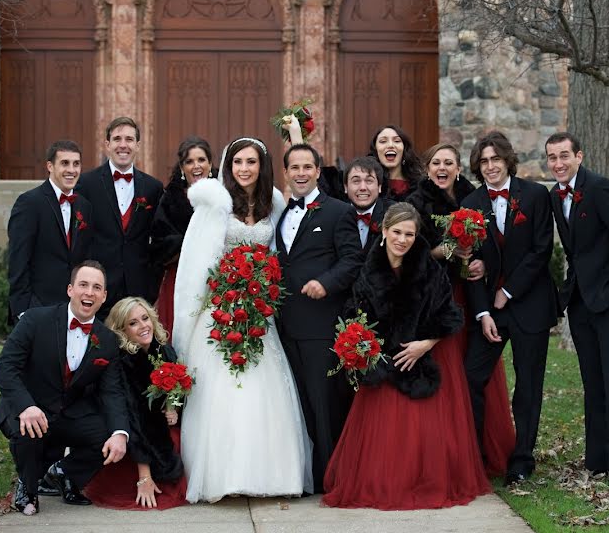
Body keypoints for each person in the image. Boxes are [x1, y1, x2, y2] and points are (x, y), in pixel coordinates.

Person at [323, 203, 492, 510]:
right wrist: (364, 348)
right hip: (385, 362)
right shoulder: (367, 271)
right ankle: (386, 483)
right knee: (386, 433)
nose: (403, 239)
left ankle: (423, 482)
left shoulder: (429, 269)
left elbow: (450, 315)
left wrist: (425, 344)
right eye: (397, 232)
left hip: (420, 359)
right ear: (384, 232)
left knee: (421, 431)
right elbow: (353, 315)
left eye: (410, 234)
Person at [172, 137, 312, 503]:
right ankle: (223, 475)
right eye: (238, 162)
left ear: (261, 167)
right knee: (224, 392)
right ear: (228, 166)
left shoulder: (274, 205)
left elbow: (280, 251)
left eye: (251, 162)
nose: (244, 169)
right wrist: (208, 306)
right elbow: (197, 265)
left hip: (259, 312)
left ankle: (270, 474)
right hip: (220, 311)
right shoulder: (214, 205)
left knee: (263, 391)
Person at [545, 132, 609, 486]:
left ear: (579, 156)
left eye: (564, 156)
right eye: (551, 157)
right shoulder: (554, 195)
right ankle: (598, 460)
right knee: (593, 382)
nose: (558, 163)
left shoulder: (601, 189)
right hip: (580, 302)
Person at [407, 142, 515, 476]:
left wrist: (478, 260)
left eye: (449, 163)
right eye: (436, 162)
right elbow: (409, 253)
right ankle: (446, 454)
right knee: (447, 373)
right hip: (434, 296)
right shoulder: (415, 203)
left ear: (458, 169)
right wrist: (445, 251)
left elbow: (490, 248)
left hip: (470, 296)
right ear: (427, 169)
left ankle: (478, 450)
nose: (442, 168)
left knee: (473, 375)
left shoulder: (473, 199)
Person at [461, 131, 560, 486]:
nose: (490, 167)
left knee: (529, 383)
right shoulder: (470, 204)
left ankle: (522, 459)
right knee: (471, 377)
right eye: (483, 162)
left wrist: (508, 291)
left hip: (529, 303)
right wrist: (483, 312)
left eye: (495, 160)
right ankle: (476, 455)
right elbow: (469, 263)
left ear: (507, 160)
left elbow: (540, 250)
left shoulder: (534, 195)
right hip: (490, 311)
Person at [0, 261, 129, 516]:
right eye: (83, 285)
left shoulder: (107, 340)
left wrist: (120, 432)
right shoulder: (35, 320)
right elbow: (5, 368)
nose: (89, 292)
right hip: (29, 407)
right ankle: (28, 485)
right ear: (70, 290)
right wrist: (26, 405)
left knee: (109, 433)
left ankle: (65, 474)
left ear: (104, 297)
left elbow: (112, 392)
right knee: (29, 428)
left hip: (68, 412)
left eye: (97, 287)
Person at [275, 143, 364, 492]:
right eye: (294, 167)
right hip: (284, 324)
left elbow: (352, 260)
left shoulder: (339, 211)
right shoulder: (281, 212)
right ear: (286, 173)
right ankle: (311, 476)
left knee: (325, 405)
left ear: (317, 170)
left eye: (307, 167)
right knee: (300, 406)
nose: (300, 173)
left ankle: (333, 480)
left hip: (319, 325)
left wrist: (326, 284)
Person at [84, 297, 187, 510]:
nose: (143, 326)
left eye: (144, 318)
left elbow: (176, 388)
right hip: (130, 435)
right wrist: (144, 476)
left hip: (157, 427)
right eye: (133, 323)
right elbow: (133, 417)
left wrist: (172, 406)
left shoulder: (163, 350)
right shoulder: (123, 362)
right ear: (122, 330)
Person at [76, 117, 164, 320]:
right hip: (99, 287)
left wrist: (153, 284)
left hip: (140, 288)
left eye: (129, 139)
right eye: (117, 139)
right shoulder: (86, 184)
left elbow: (158, 240)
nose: (123, 145)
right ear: (107, 144)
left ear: (138, 145)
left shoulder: (153, 188)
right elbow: (80, 237)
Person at [7, 140, 93, 323]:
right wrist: (23, 311)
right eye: (64, 163)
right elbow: (18, 260)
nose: (71, 170)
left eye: (76, 164)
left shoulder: (84, 207)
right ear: (50, 166)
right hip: (37, 308)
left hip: (74, 308)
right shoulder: (29, 203)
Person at [149, 137, 215, 339]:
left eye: (201, 160)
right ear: (182, 167)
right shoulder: (170, 199)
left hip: (217, 279)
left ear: (210, 164)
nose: (196, 166)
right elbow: (159, 244)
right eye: (189, 161)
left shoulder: (224, 193)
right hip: (180, 278)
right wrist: (190, 245)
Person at [344, 156, 394, 254]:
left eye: (369, 181)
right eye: (356, 181)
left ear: (379, 187)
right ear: (346, 187)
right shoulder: (335, 214)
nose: (363, 187)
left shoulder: (394, 214)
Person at [368, 125, 425, 202]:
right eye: (383, 141)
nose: (390, 145)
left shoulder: (421, 186)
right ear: (376, 150)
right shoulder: (367, 184)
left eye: (397, 141)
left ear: (404, 149)